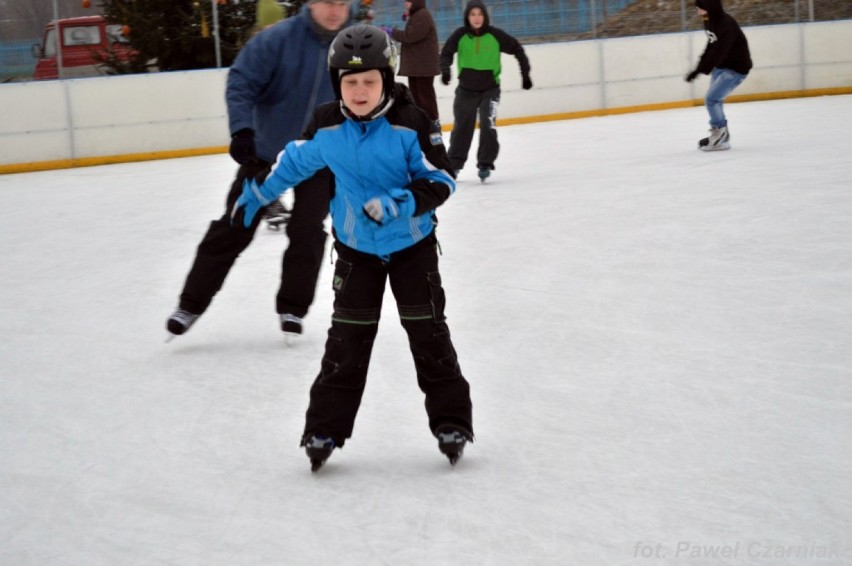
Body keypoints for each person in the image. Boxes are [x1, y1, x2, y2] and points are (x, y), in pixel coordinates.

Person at [231, 24, 474, 470]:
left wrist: (402, 203)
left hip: (411, 246)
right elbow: (293, 163)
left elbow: (441, 179)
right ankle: (324, 429)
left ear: (387, 78)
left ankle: (451, 422)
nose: (359, 91)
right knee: (346, 342)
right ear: (336, 83)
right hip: (356, 250)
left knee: (429, 334)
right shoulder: (327, 124)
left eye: (369, 81)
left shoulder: (411, 121)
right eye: (350, 81)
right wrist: (259, 194)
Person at [166, 0, 353, 338]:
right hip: (267, 151)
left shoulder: (355, 46)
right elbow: (241, 80)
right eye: (327, 1)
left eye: (342, 2)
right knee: (236, 224)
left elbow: (372, 95)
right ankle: (190, 304)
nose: (334, 10)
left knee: (308, 230)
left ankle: (293, 310)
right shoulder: (278, 39)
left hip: (319, 157)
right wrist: (242, 130)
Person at [439, 0, 532, 181]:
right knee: (461, 128)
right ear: (467, 17)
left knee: (488, 125)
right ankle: (455, 165)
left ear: (485, 16)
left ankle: (485, 163)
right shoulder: (460, 35)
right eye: (472, 14)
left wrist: (525, 75)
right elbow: (446, 53)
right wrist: (445, 70)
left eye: (479, 14)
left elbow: (518, 49)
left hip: (490, 90)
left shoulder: (495, 35)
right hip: (465, 91)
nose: (476, 18)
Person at [685, 0, 752, 151]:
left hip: (736, 69)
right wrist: (698, 69)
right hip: (721, 67)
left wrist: (702, 70)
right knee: (716, 100)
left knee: (711, 100)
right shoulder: (709, 21)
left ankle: (720, 135)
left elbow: (719, 52)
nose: (697, 9)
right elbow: (710, 46)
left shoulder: (726, 24)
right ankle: (722, 136)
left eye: (699, 7)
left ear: (708, 7)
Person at [379, 0, 441, 125]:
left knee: (425, 99)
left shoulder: (423, 15)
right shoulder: (418, 15)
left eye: (408, 2)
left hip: (423, 67)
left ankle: (432, 123)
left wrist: (392, 32)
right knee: (418, 99)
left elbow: (410, 36)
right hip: (418, 67)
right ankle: (422, 124)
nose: (406, 4)